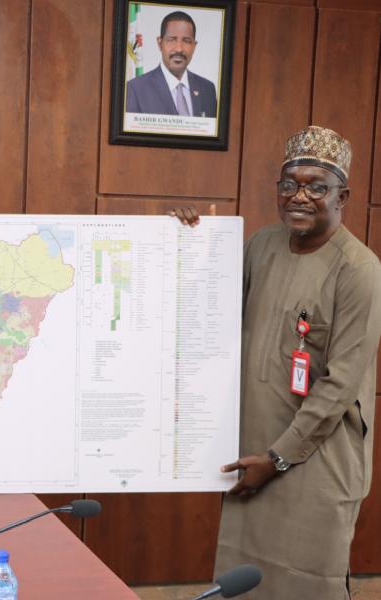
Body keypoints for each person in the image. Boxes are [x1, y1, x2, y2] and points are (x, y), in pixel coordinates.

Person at [173, 126, 381, 598]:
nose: (300, 197)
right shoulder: (262, 245)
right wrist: (185, 241)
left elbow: (339, 386)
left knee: (306, 584)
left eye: (316, 186)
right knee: (245, 582)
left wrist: (278, 458)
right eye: (290, 184)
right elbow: (211, 310)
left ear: (342, 195)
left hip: (315, 464)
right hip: (255, 451)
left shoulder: (360, 270)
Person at [126, 11, 217, 118]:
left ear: (194, 46)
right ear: (160, 43)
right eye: (171, 40)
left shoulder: (207, 89)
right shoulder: (136, 88)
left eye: (186, 41)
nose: (179, 48)